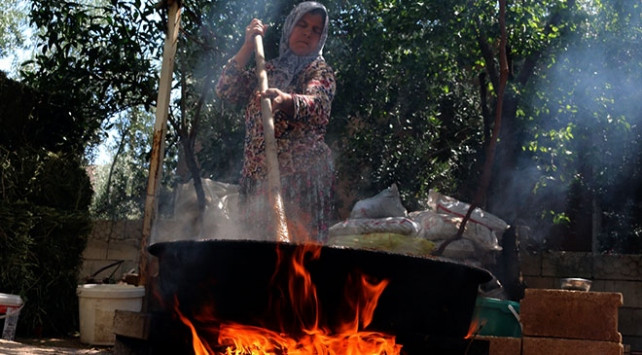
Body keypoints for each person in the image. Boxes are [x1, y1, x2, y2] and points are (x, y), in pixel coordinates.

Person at [215, 1, 336, 242]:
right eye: (302, 25)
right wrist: (248, 46)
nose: (307, 33)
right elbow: (226, 90)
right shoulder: (267, 71)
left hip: (300, 180)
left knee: (296, 258)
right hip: (256, 178)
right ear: (290, 28)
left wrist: (287, 100)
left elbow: (319, 104)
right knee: (257, 256)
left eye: (315, 30)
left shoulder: (319, 71)